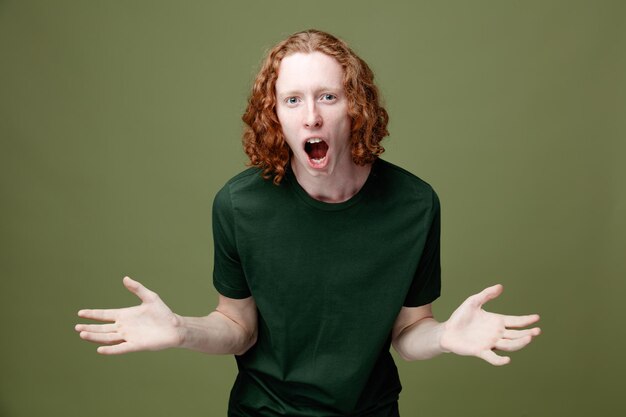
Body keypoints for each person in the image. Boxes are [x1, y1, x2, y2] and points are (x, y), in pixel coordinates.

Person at [75, 29, 541, 416]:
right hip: (266, 410)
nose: (312, 116)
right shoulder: (239, 205)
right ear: (275, 115)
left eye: (328, 97)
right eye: (293, 100)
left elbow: (408, 333)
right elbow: (239, 327)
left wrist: (445, 338)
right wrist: (180, 329)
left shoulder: (414, 204)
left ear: (354, 108)